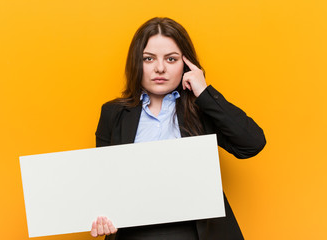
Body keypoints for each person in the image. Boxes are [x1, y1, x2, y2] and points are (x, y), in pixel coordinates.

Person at [90, 17, 266, 240]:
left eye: (171, 59)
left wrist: (204, 93)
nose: (160, 68)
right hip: (135, 234)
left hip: (195, 233)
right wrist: (103, 217)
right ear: (136, 62)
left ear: (186, 64)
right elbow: (105, 183)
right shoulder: (113, 113)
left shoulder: (201, 108)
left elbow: (252, 143)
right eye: (148, 59)